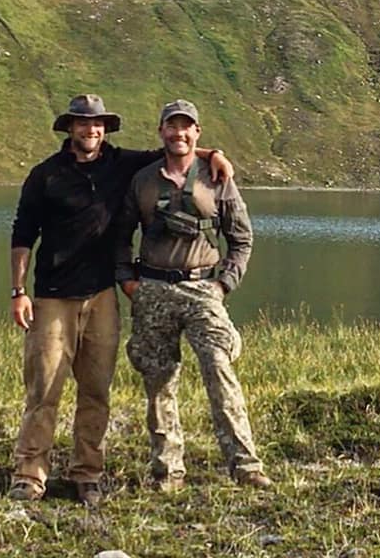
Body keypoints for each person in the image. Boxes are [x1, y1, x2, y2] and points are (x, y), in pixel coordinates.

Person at [8, 93, 233, 507]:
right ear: (69, 128)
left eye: (97, 124)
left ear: (105, 129)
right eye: (82, 123)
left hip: (103, 296)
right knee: (44, 390)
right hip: (53, 296)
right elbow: (23, 234)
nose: (90, 130)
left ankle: (87, 474)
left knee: (96, 390)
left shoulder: (122, 164)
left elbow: (174, 150)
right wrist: (18, 292)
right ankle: (29, 474)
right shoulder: (45, 175)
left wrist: (214, 154)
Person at [116, 99, 271, 492]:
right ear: (161, 132)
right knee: (158, 380)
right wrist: (128, 282)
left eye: (187, 127)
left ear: (197, 132)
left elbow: (242, 238)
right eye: (172, 126)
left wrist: (223, 284)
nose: (179, 133)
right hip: (152, 289)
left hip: (203, 288)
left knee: (219, 368)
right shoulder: (142, 180)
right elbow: (119, 238)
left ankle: (246, 466)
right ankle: (167, 471)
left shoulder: (217, 177)